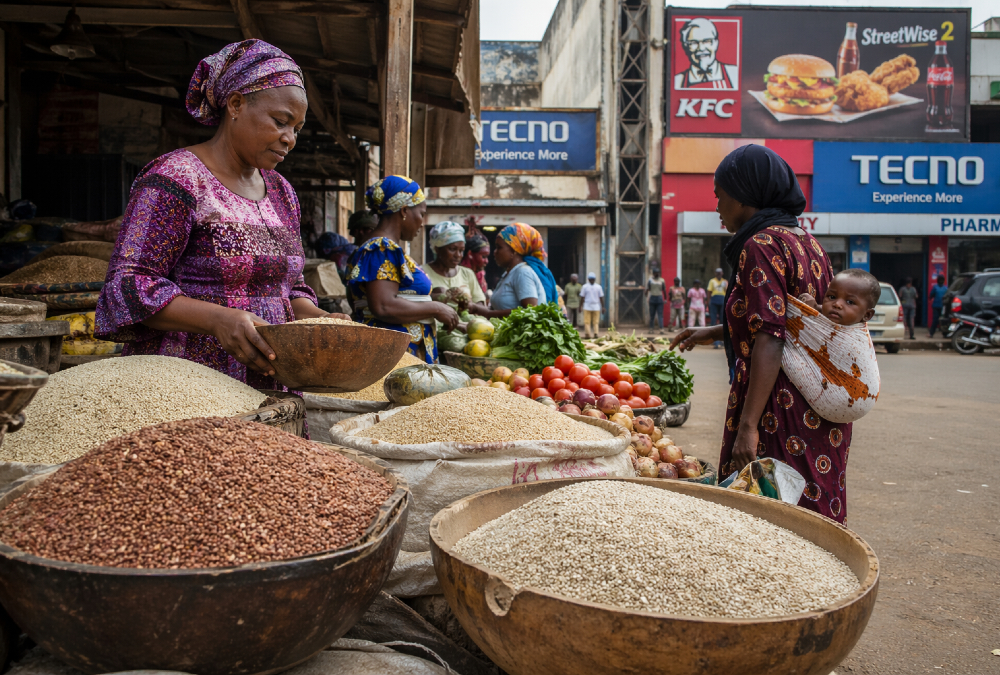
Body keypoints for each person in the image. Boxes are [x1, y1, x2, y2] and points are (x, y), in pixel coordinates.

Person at [95, 39, 346, 389]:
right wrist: (217, 319)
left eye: (297, 129)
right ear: (237, 103)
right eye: (280, 121)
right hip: (187, 383)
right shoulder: (176, 178)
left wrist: (322, 322)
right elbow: (128, 286)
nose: (289, 138)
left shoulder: (282, 193)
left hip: (270, 384)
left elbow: (289, 288)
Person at [671, 143, 850, 524]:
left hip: (780, 408)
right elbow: (788, 320)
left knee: (773, 514)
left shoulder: (761, 246)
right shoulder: (809, 243)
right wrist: (714, 330)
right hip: (817, 407)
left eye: (721, 197)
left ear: (745, 197)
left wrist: (748, 426)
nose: (717, 208)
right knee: (812, 507)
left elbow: (772, 336)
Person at [347, 175, 458, 363]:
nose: (422, 222)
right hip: (395, 358)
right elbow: (383, 306)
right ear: (404, 211)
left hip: (396, 355)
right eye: (421, 214)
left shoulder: (372, 249)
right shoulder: (382, 248)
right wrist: (436, 308)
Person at [473, 222, 557, 319]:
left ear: (513, 251)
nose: (495, 252)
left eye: (499, 247)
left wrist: (488, 314)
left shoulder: (523, 272)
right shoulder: (508, 274)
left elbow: (531, 311)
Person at [424, 221, 488, 314]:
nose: (458, 255)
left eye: (461, 250)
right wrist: (437, 297)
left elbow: (482, 308)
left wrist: (467, 304)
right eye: (452, 249)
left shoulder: (467, 274)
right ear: (437, 249)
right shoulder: (423, 273)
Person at [674, 18, 739, 90]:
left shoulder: (735, 74)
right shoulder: (677, 81)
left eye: (707, 41)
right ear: (686, 46)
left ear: (716, 43)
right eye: (694, 42)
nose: (701, 48)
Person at [798, 269, 880, 326]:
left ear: (867, 315)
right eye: (832, 297)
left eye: (850, 302)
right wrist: (813, 307)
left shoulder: (856, 344)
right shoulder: (821, 318)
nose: (837, 304)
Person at [708, 267, 728, 347]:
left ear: (722, 273)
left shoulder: (725, 282)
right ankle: (714, 341)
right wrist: (708, 302)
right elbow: (709, 291)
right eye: (717, 273)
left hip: (722, 300)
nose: (719, 274)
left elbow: (727, 292)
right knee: (713, 320)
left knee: (722, 321)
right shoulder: (712, 281)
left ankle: (722, 340)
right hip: (714, 300)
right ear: (715, 274)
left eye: (720, 273)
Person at [580, 273, 605, 339]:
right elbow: (582, 297)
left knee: (593, 322)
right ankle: (590, 334)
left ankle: (593, 334)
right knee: (590, 321)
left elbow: (601, 298)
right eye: (591, 279)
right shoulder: (587, 287)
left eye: (593, 279)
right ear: (588, 279)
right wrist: (580, 306)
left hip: (592, 306)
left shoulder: (586, 286)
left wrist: (603, 307)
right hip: (590, 306)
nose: (592, 280)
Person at [646, 268, 667, 333]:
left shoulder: (662, 280)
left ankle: (661, 329)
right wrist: (646, 293)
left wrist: (665, 299)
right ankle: (651, 329)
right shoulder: (650, 280)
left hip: (659, 298)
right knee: (652, 315)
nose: (657, 274)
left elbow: (664, 290)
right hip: (652, 298)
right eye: (655, 273)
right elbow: (648, 288)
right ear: (653, 273)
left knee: (660, 315)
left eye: (658, 273)